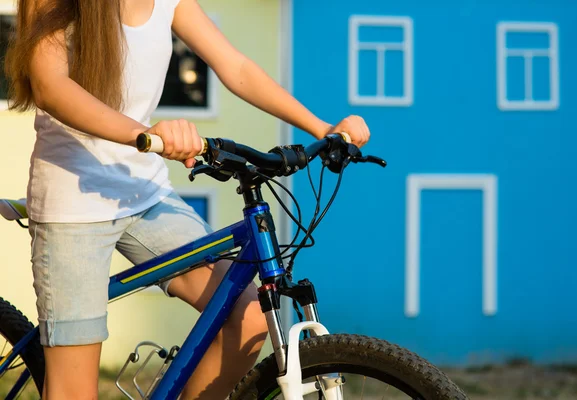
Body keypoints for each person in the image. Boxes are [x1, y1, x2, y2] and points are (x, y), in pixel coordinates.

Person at [4, 0, 371, 398]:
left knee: (247, 316)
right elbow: (50, 88)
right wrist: (144, 135)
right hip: (73, 202)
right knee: (73, 391)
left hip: (144, 193)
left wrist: (322, 127)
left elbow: (236, 67)